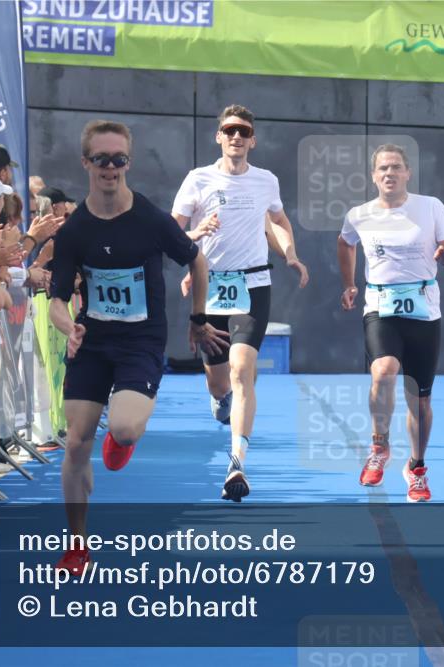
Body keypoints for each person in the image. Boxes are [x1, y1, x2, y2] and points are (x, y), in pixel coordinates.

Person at [50, 119, 228, 572]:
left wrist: (199, 319)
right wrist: (68, 327)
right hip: (92, 341)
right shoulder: (74, 230)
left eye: (119, 160)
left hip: (140, 342)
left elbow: (197, 260)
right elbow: (55, 300)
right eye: (102, 160)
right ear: (86, 162)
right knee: (76, 443)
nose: (110, 168)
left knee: (126, 429)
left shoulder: (150, 219)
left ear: (128, 162)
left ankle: (122, 437)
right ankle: (77, 545)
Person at [171, 104, 307, 502]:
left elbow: (278, 223)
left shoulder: (265, 181)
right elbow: (171, 232)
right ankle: (219, 399)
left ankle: (237, 462)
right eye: (229, 130)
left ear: (252, 140)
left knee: (242, 368)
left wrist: (291, 255)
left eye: (243, 131)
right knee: (219, 381)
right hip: (210, 286)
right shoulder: (198, 179)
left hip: (253, 284)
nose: (236, 136)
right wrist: (196, 234)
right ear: (219, 137)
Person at [338, 144, 444, 502]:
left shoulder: (430, 207)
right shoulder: (359, 214)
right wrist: (350, 283)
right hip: (380, 306)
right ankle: (379, 446)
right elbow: (345, 243)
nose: (389, 173)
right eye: (383, 168)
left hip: (424, 311)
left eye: (396, 167)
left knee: (419, 400)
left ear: (407, 173)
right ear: (374, 176)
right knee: (384, 370)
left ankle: (416, 467)